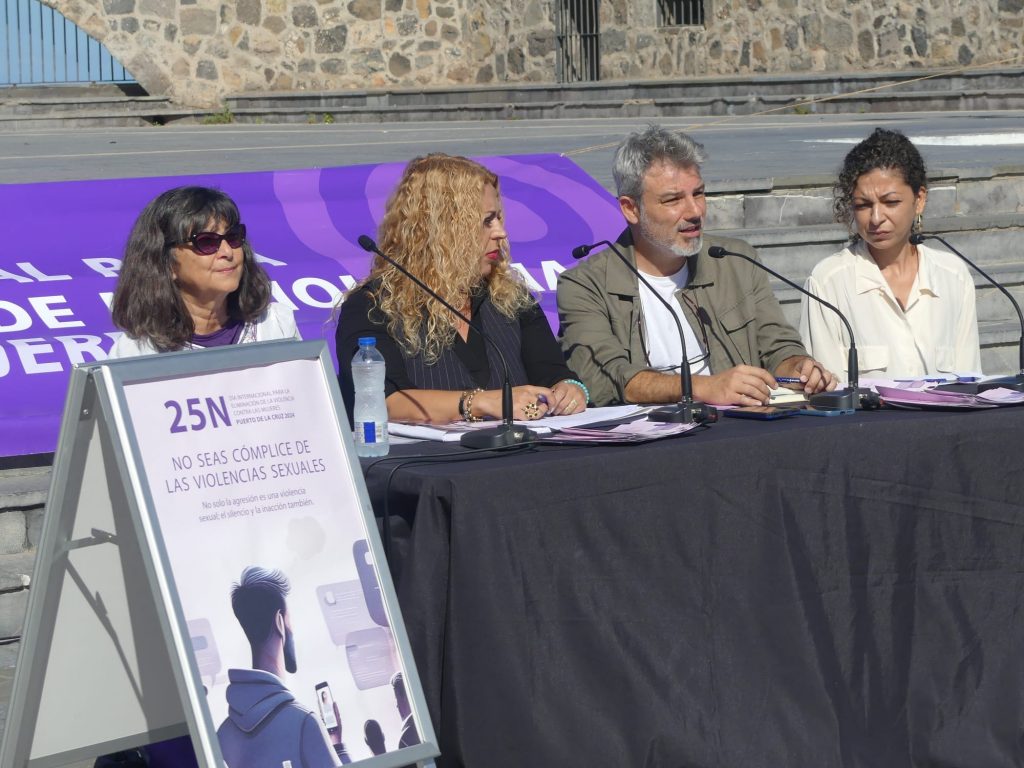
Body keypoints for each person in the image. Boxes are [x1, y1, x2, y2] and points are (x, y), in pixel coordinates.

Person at [557, 124, 837, 407]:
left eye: (699, 194)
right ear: (631, 209)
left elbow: (778, 346)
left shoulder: (734, 261)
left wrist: (799, 367)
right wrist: (702, 387)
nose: (694, 211)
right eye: (673, 199)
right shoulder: (585, 285)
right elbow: (606, 377)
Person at [336, 154, 588, 423]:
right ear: (444, 228)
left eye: (499, 219)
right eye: (486, 221)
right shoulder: (373, 306)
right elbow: (384, 402)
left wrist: (569, 390)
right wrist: (479, 402)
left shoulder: (512, 299)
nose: (501, 232)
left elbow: (552, 373)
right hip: (426, 462)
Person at [799, 128, 981, 380]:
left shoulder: (954, 276)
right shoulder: (828, 281)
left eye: (891, 202)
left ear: (919, 200)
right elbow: (827, 394)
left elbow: (969, 383)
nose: (876, 218)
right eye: (863, 205)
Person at [108, 185, 298, 358]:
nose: (227, 252)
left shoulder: (276, 326)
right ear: (165, 263)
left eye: (232, 237)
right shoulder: (135, 354)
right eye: (207, 242)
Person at [217, 567, 349, 767]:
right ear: (280, 622)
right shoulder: (303, 723)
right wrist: (339, 749)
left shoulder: (222, 735)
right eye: (290, 620)